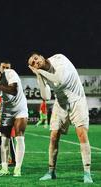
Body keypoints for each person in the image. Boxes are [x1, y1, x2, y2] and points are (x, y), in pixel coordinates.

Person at [28, 53, 93, 183]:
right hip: (61, 102)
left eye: (36, 59)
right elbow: (46, 96)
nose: (36, 62)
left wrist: (40, 71)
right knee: (53, 136)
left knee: (81, 134)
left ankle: (87, 173)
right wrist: (38, 76)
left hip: (77, 99)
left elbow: (60, 79)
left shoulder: (59, 59)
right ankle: (51, 172)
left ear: (41, 56)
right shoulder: (42, 73)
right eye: (33, 63)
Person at [0, 61, 28, 177]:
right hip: (6, 110)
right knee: (4, 140)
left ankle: (17, 168)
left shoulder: (9, 73)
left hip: (20, 108)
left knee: (19, 136)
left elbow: (13, 90)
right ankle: (4, 168)